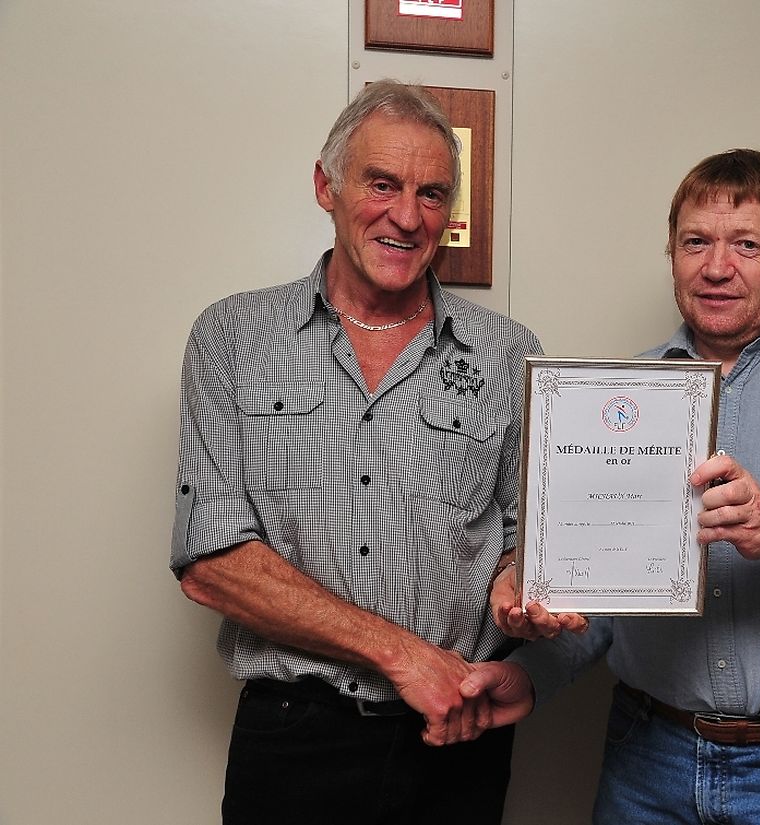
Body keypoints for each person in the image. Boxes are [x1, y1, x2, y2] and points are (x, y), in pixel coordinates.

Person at [465, 148, 760, 824]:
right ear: (673, 255)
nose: (717, 267)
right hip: (646, 761)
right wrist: (530, 673)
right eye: (696, 242)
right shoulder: (620, 393)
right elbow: (612, 599)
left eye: (747, 244)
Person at [170, 80, 576, 824]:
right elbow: (211, 561)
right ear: (326, 185)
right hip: (294, 738)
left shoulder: (510, 353)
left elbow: (528, 542)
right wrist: (402, 655)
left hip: (459, 737)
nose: (407, 216)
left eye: (432, 194)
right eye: (382, 183)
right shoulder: (232, 336)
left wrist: (522, 589)